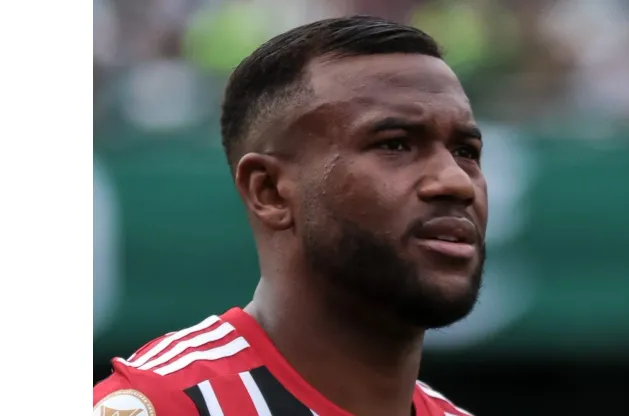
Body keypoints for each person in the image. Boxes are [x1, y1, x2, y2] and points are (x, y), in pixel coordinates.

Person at [94, 15, 487, 416]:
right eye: (396, 145)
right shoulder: (167, 406)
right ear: (269, 191)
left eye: (466, 152)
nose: (456, 182)